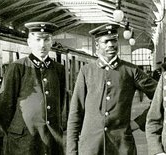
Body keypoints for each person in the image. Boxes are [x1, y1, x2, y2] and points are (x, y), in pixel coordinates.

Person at [66, 24, 158, 155]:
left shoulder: (131, 71)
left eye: (114, 40)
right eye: (106, 41)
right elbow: (75, 112)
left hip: (121, 146)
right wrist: (72, 151)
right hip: (91, 147)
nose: (111, 45)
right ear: (97, 45)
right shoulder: (86, 72)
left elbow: (161, 96)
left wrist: (139, 122)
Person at [0, 22, 66, 155]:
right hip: (24, 142)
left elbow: (60, 101)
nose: (42, 44)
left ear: (51, 42)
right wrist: (15, 131)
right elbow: (4, 107)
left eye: (46, 39)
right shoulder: (17, 67)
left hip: (51, 139)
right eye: (38, 39)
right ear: (29, 42)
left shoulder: (58, 69)